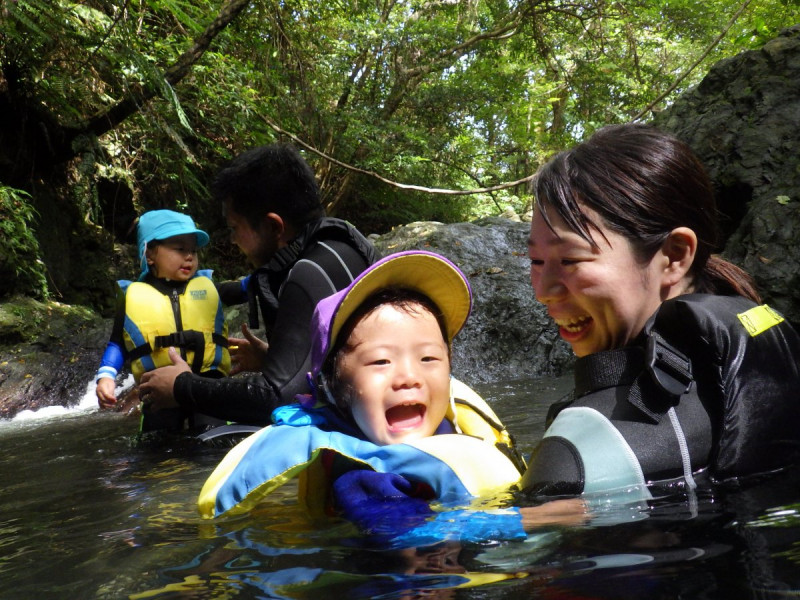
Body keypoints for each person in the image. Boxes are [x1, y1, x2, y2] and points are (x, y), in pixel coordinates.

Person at [521, 123, 800, 500]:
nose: (542, 291)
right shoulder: (768, 357)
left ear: (675, 255)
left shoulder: (578, 453)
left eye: (570, 259)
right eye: (536, 260)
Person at [197, 251, 542, 544]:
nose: (409, 377)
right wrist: (539, 519)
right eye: (381, 361)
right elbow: (406, 536)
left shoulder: (449, 428)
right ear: (333, 388)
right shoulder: (365, 477)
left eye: (429, 359)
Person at [139, 143, 377, 427]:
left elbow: (277, 398)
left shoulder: (308, 273)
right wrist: (274, 360)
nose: (232, 240)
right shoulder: (337, 250)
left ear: (274, 227)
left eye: (234, 228)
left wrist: (181, 386)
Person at [95, 209, 231, 432]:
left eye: (193, 250)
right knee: (158, 454)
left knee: (214, 442)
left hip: (207, 385)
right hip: (159, 390)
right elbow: (118, 342)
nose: (189, 256)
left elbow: (249, 286)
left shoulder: (209, 287)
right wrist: (106, 376)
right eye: (180, 249)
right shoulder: (133, 297)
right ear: (149, 255)